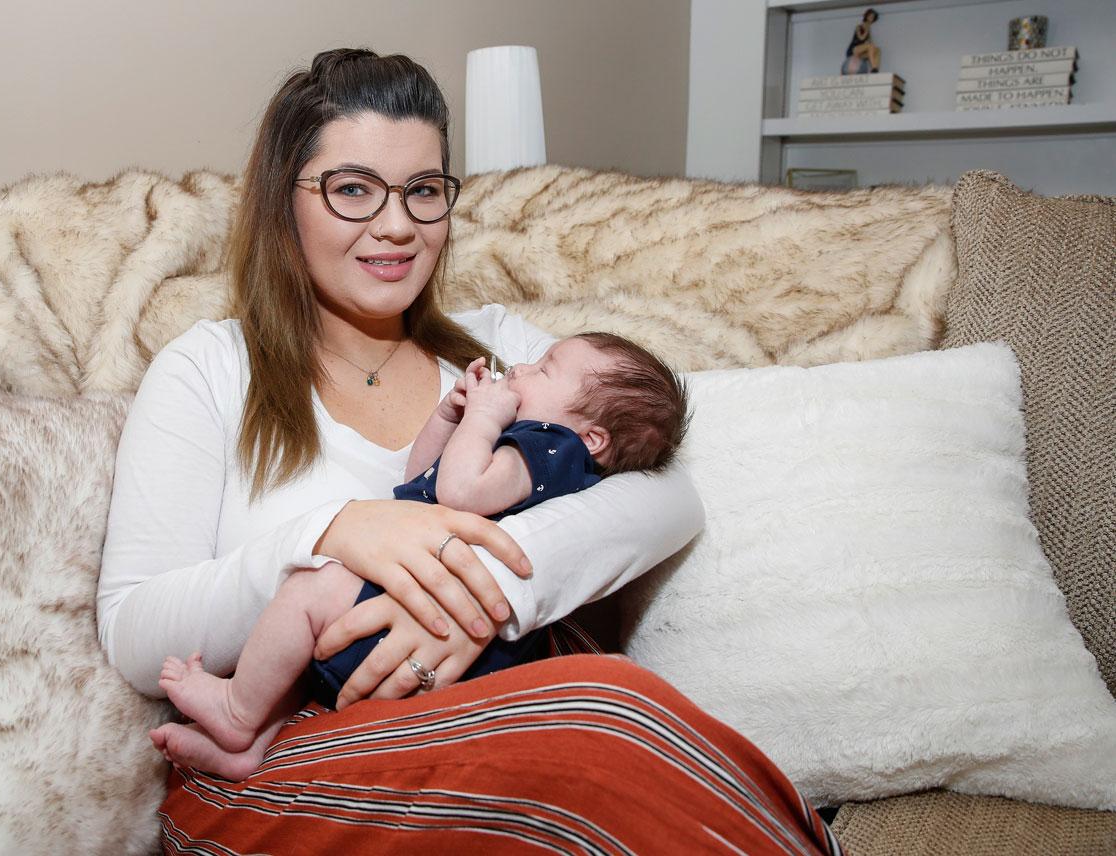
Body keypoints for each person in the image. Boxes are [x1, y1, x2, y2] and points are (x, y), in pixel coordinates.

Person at [98, 47, 840, 853]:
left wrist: (488, 588)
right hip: (277, 757)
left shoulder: (502, 356)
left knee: (610, 713)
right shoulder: (209, 369)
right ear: (285, 202)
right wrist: (331, 533)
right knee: (599, 728)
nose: (397, 226)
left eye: (423, 191)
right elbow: (135, 629)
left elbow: (668, 494)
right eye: (353, 190)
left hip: (497, 719)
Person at [147, 334, 690, 779]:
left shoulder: (552, 450)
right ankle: (253, 742)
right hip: (417, 604)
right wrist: (451, 418)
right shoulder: (525, 443)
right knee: (305, 637)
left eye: (544, 370)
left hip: (439, 623)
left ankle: (240, 711)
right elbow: (419, 481)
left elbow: (459, 494)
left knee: (308, 589)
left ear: (591, 439)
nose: (521, 368)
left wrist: (483, 418)